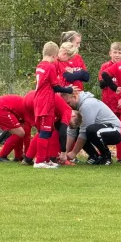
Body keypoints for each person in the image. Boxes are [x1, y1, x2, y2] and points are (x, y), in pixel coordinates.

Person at [33, 41, 77, 169]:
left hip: (39, 100)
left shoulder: (40, 65)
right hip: (46, 102)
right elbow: (56, 86)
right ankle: (40, 161)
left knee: (46, 131)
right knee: (45, 132)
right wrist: (69, 89)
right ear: (54, 55)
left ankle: (45, 160)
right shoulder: (50, 67)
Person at [22, 90, 81, 165]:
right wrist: (63, 152)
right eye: (69, 123)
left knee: (42, 133)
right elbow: (62, 133)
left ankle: (28, 159)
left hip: (28, 98)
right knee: (45, 133)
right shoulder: (67, 110)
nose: (67, 125)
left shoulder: (59, 110)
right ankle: (40, 162)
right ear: (74, 116)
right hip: (40, 100)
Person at [62, 91, 121, 166]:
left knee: (90, 130)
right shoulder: (77, 106)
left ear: (74, 97)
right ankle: (94, 156)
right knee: (79, 127)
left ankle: (106, 156)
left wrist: (73, 153)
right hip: (100, 129)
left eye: (68, 103)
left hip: (115, 131)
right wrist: (64, 153)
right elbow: (72, 131)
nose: (68, 106)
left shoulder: (87, 105)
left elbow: (84, 132)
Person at [98, 42, 121, 163]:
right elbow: (101, 84)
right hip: (108, 104)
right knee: (103, 129)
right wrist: (111, 75)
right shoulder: (105, 67)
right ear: (110, 53)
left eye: (120, 53)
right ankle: (103, 154)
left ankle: (120, 157)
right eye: (115, 52)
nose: (117, 55)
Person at [0, 94, 31, 162]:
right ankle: (1, 156)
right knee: (20, 133)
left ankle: (18, 156)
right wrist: (28, 157)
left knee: (19, 132)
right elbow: (27, 136)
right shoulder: (29, 112)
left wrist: (20, 156)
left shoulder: (26, 106)